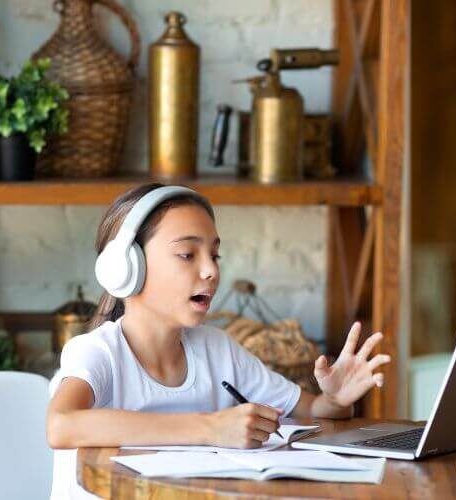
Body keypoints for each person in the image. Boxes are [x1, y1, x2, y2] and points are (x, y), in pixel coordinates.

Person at [47, 183, 391, 499]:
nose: (211, 270)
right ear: (127, 268)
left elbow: (311, 410)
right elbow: (61, 425)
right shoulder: (98, 352)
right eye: (187, 254)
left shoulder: (216, 349)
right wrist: (210, 427)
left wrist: (335, 399)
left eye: (215, 255)